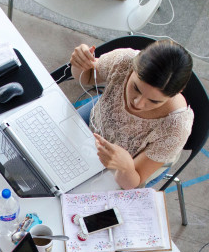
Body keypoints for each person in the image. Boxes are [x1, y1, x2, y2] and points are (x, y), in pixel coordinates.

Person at [68, 40, 195, 190]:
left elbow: (132, 183)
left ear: (175, 94)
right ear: (132, 67)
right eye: (136, 88)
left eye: (154, 101)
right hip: (96, 121)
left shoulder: (176, 127)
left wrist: (125, 167)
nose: (138, 103)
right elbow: (87, 78)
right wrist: (79, 64)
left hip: (130, 166)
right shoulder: (123, 61)